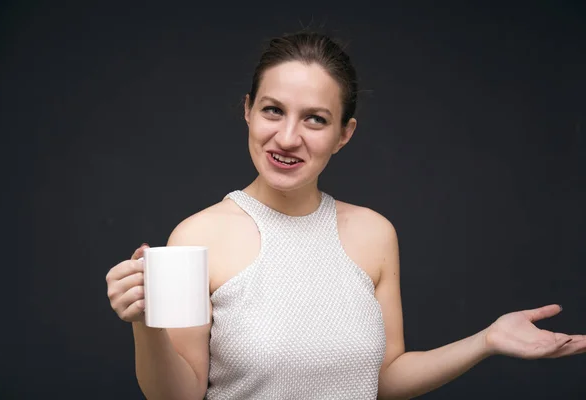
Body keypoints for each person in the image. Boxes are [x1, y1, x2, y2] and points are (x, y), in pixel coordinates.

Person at [105, 31, 585, 400]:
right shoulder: (198, 235)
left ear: (344, 134)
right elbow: (178, 396)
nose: (288, 137)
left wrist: (487, 340)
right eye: (273, 110)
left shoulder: (374, 234)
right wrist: (145, 325)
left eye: (315, 118)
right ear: (248, 112)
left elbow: (384, 380)